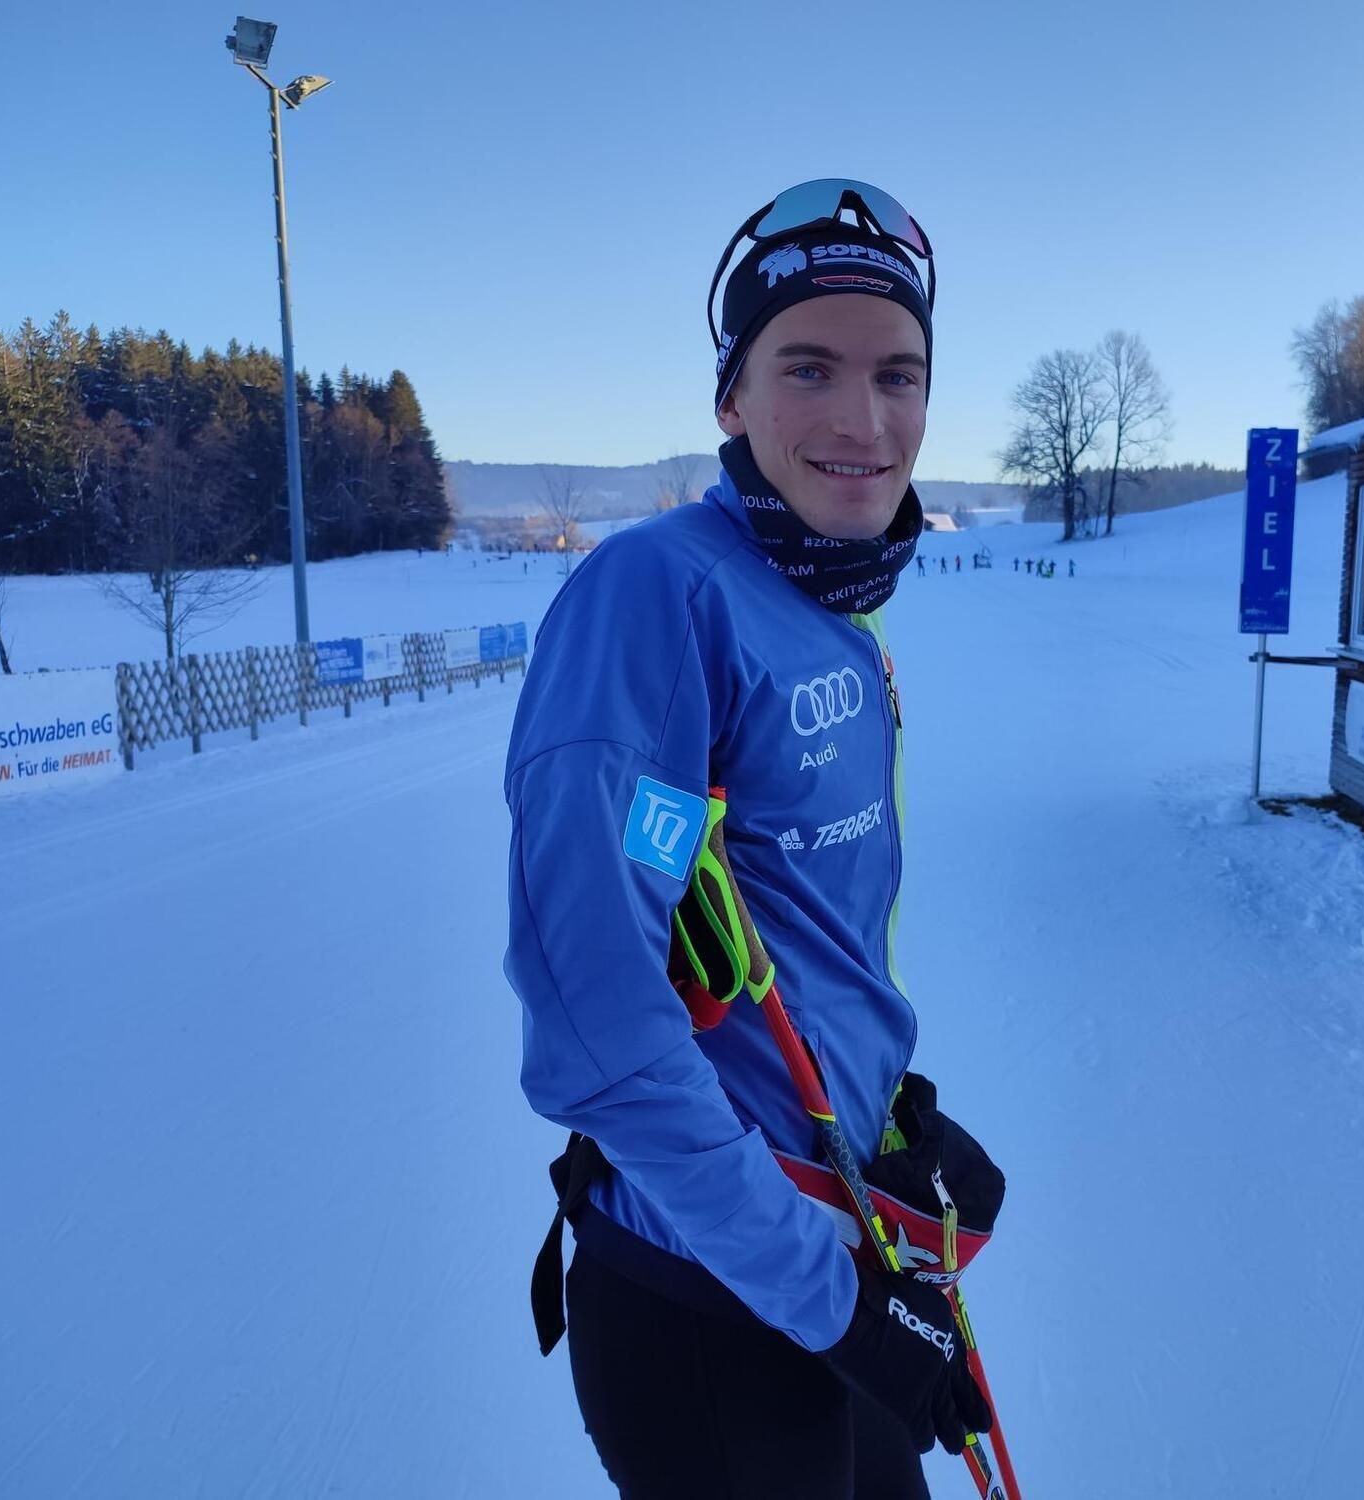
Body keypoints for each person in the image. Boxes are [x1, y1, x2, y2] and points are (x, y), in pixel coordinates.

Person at [504, 180, 992, 1499]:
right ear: (731, 397)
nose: (862, 418)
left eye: (900, 374)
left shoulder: (824, 602)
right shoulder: (658, 600)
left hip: (832, 1242)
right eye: (809, 367)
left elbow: (785, 921)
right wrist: (832, 1304)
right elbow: (602, 1030)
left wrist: (896, 1115)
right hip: (709, 1301)